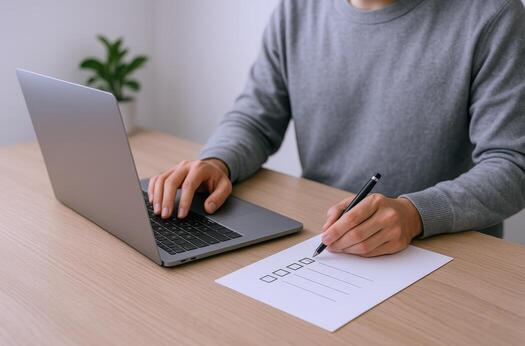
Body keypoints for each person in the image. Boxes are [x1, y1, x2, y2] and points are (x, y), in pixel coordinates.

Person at [148, 0, 525, 257]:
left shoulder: (493, 15)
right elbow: (256, 116)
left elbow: (513, 165)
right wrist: (219, 161)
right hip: (326, 239)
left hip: (450, 253)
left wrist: (416, 213)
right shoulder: (298, 9)